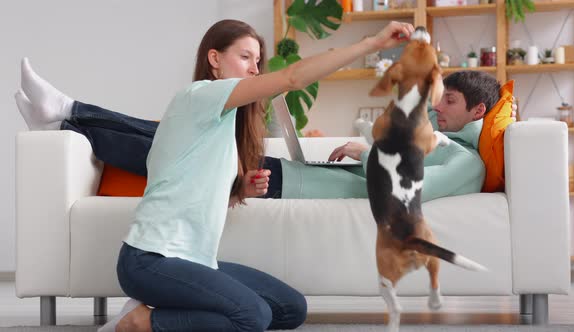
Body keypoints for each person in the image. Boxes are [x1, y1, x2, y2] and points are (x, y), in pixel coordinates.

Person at [18, 19, 415, 332]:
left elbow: (189, 190)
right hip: (150, 260)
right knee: (253, 318)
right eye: (246, 57)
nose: (255, 69)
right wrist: (371, 44)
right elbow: (292, 79)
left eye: (257, 60)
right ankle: (143, 322)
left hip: (193, 260)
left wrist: (238, 189)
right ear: (214, 58)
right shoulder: (199, 96)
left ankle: (162, 307)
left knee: (291, 308)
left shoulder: (220, 127)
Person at [17, 58, 504, 203]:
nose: (440, 111)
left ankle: (66, 113)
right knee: (174, 136)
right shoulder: (444, 143)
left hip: (293, 188)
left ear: (479, 110)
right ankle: (66, 115)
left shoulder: (466, 160)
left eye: (452, 103)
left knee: (173, 144)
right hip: (298, 177)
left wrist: (366, 153)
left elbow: (407, 189)